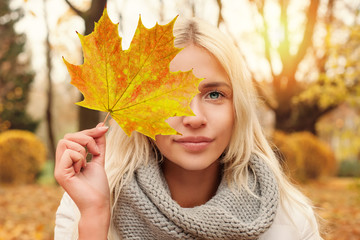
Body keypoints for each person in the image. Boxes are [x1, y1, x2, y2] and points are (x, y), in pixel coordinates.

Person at [54, 17, 322, 240]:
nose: (194, 117)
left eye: (215, 95)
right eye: (173, 96)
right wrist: (96, 217)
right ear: (141, 108)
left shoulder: (290, 220)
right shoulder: (85, 207)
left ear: (237, 108)